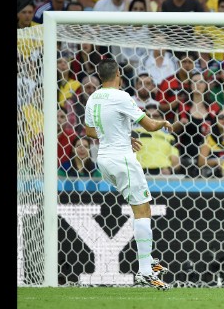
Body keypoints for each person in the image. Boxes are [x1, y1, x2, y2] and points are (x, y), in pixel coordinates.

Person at [84, 58, 172, 290]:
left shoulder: (94, 98)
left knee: (140, 207)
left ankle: (147, 261)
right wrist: (164, 122)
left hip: (103, 160)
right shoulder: (122, 96)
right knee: (143, 209)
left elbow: (90, 131)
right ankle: (144, 271)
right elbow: (151, 126)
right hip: (123, 161)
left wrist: (123, 137)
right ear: (118, 74)